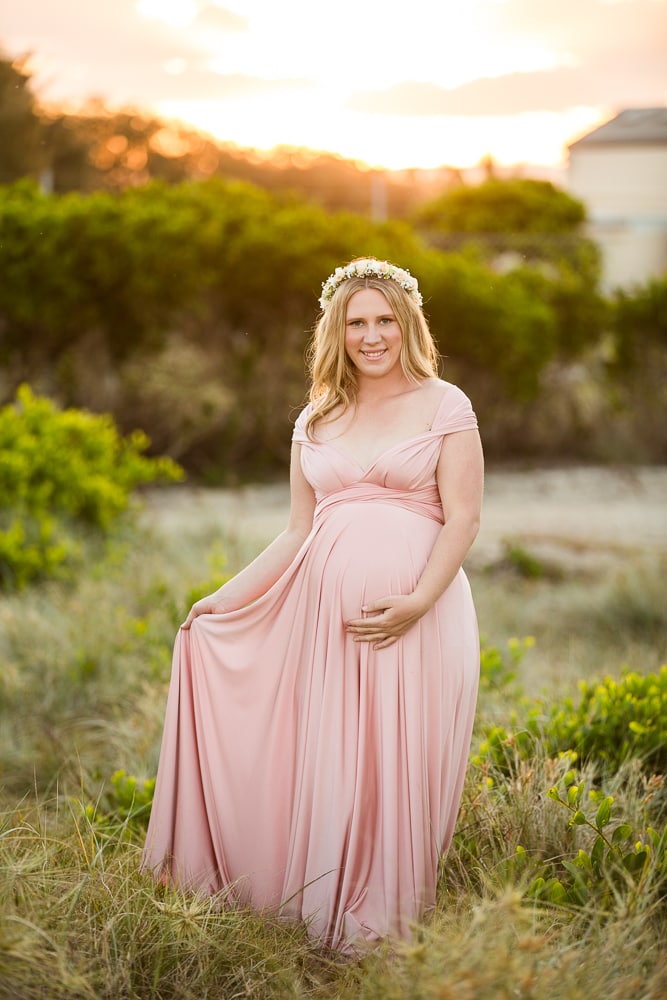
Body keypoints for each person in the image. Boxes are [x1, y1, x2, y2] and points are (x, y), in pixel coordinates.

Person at [141, 257, 484, 953]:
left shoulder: (444, 403)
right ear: (337, 330)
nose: (372, 335)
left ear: (407, 322)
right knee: (332, 766)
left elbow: (464, 519)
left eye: (384, 319)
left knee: (398, 767)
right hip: (321, 627)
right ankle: (314, 911)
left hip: (416, 618)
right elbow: (297, 530)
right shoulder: (315, 418)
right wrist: (219, 599)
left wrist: (417, 600)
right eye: (356, 322)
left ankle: (385, 928)